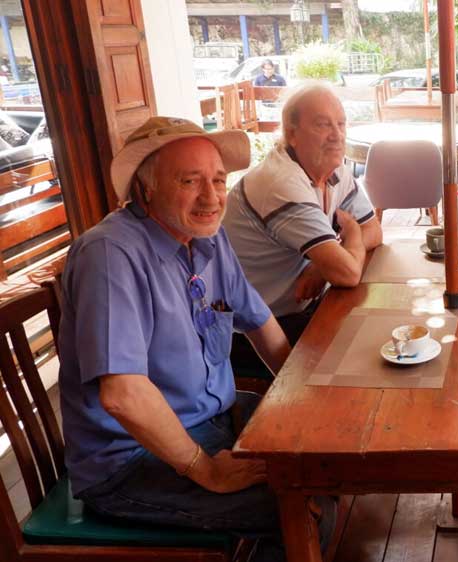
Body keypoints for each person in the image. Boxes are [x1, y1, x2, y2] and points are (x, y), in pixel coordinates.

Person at [58, 116, 335, 561]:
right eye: (189, 181)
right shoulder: (109, 253)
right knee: (300, 507)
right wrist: (205, 469)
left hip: (213, 419)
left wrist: (305, 399)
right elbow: (123, 395)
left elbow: (260, 324)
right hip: (131, 459)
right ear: (145, 189)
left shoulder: (207, 236)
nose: (211, 197)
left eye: (218, 180)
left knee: (323, 458)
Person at [224, 81, 382, 369]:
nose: (337, 135)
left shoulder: (333, 169)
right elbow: (347, 273)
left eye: (341, 124)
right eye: (323, 125)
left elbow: (374, 230)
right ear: (292, 134)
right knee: (367, 360)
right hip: (253, 335)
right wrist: (350, 238)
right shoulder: (281, 183)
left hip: (303, 309)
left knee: (381, 335)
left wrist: (322, 265)